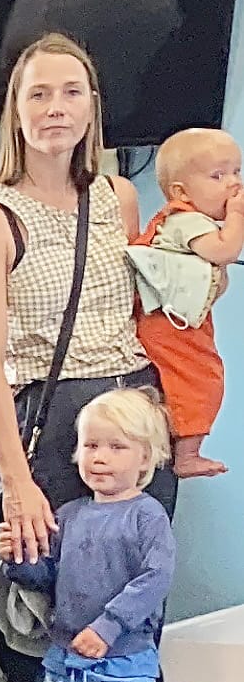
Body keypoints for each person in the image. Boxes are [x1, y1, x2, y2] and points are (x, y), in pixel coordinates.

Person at [0, 31, 175, 682]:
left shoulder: (117, 199)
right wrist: (17, 479)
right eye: (39, 94)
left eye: (71, 92)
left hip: (131, 409)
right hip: (45, 425)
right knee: (40, 607)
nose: (56, 109)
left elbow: (157, 307)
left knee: (134, 601)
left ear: (93, 105)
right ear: (16, 109)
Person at [0, 389, 176, 682]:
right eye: (91, 446)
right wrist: (17, 558)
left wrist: (108, 627)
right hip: (67, 658)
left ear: (145, 458)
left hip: (124, 660)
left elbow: (154, 580)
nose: (100, 458)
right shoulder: (70, 516)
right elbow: (46, 578)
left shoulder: (147, 516)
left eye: (116, 448)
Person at [129, 126, 239, 479]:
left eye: (237, 172)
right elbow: (224, 251)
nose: (233, 184)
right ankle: (187, 455)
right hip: (169, 325)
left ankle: (183, 448)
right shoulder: (184, 219)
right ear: (181, 192)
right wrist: (237, 215)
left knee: (194, 379)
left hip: (177, 321)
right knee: (203, 379)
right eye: (218, 176)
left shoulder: (190, 221)